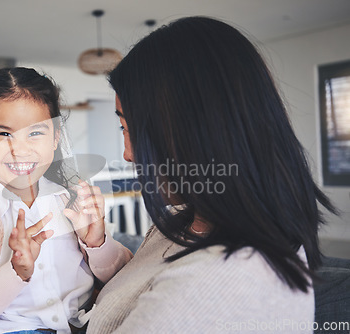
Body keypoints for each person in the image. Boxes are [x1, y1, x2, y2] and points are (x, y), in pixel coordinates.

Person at [85, 16, 337, 333]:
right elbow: (137, 285)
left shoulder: (218, 283)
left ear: (194, 133)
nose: (128, 154)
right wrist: (97, 245)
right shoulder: (185, 220)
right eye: (123, 128)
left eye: (130, 129)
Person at [0, 67, 132, 334]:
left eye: (35, 133)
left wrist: (96, 242)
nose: (20, 150)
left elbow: (126, 279)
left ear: (55, 137)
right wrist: (15, 272)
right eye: (4, 134)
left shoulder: (71, 201)